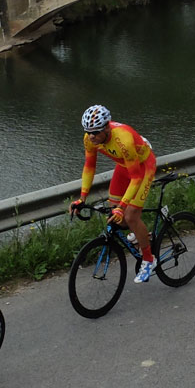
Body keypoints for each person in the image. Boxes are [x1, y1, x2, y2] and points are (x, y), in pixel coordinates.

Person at [68, 105, 158, 283]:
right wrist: (82, 198)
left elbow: (136, 177)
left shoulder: (123, 138)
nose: (91, 136)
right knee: (114, 214)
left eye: (96, 131)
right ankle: (141, 234)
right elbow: (89, 166)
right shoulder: (89, 139)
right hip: (124, 167)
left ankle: (149, 259)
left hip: (142, 167)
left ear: (107, 127)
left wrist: (123, 207)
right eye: (88, 131)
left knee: (130, 216)